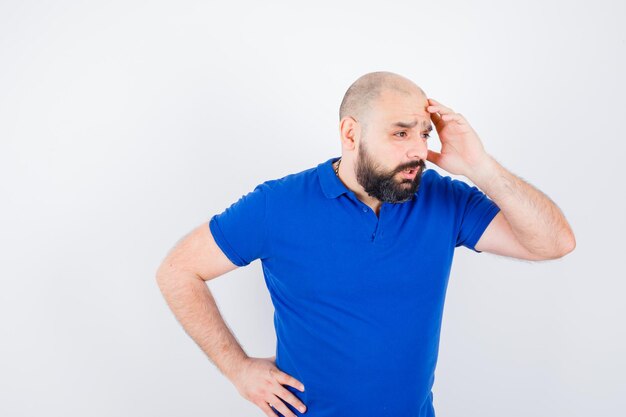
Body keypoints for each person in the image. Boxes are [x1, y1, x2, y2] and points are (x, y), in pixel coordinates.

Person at [156, 71, 576, 417]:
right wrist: (239, 370)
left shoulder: (442, 198)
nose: (418, 151)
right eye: (400, 133)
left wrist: (479, 166)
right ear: (350, 133)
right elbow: (178, 271)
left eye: (424, 134)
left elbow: (553, 243)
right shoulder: (276, 206)